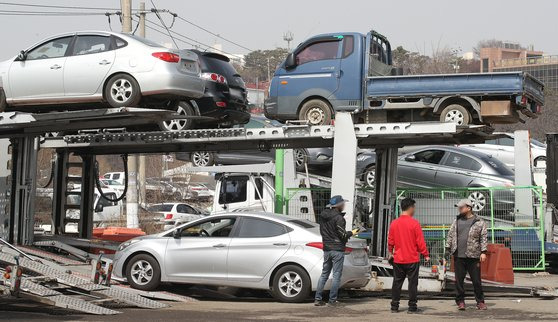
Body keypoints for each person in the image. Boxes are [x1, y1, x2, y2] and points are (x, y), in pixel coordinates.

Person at [314, 195, 360, 307]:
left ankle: (318, 299)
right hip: (337, 249)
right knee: (336, 275)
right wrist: (353, 232)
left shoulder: (323, 217)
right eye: (343, 203)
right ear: (339, 205)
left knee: (324, 274)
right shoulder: (339, 218)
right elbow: (343, 235)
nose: (344, 205)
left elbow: (323, 232)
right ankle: (332, 300)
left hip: (327, 249)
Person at [387, 197, 429, 313]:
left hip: (398, 259)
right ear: (410, 208)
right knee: (412, 284)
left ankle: (394, 306)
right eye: (414, 207)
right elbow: (420, 241)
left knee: (397, 283)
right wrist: (425, 254)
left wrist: (390, 252)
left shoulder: (394, 223)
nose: (414, 210)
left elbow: (390, 241)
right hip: (412, 259)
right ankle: (412, 307)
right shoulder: (415, 223)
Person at [445, 199, 488, 311]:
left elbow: (483, 238)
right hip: (459, 255)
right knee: (459, 281)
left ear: (469, 208)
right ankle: (460, 301)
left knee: (476, 281)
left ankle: (480, 302)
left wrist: (483, 252)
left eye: (461, 207)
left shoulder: (479, 222)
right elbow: (450, 235)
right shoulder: (456, 220)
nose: (459, 209)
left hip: (473, 256)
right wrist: (447, 248)